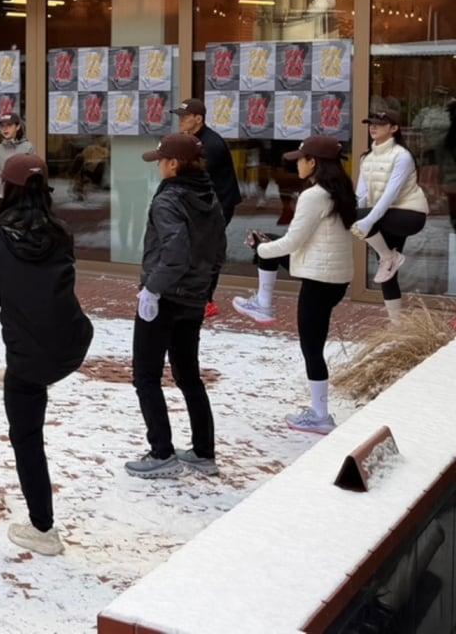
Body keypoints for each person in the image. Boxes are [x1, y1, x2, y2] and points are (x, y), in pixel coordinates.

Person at [0, 153, 93, 556]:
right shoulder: (61, 231)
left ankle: (42, 528)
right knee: (27, 375)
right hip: (73, 341)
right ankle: (18, 376)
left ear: (7, 189)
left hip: (29, 357)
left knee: (26, 436)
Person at [232, 136, 356, 435]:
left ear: (313, 162)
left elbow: (294, 241)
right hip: (332, 275)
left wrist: (260, 251)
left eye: (301, 159)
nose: (297, 164)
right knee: (268, 242)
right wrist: (267, 246)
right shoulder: (339, 191)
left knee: (311, 349)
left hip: (319, 279)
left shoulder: (314, 195)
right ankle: (263, 303)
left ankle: (320, 416)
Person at [128, 133, 226, 479]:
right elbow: (218, 252)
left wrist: (152, 289)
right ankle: (203, 451)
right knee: (188, 376)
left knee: (146, 375)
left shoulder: (168, 201)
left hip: (165, 298)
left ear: (173, 164)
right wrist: (205, 291)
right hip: (192, 298)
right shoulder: (208, 196)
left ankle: (161, 452)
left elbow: (175, 251)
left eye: (160, 160)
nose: (157, 166)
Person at [353, 108, 429, 323]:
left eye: (379, 123)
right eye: (371, 123)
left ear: (394, 128)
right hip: (384, 217)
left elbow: (389, 195)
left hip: (409, 214)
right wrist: (355, 214)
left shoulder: (402, 156)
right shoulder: (365, 158)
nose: (373, 127)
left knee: (384, 258)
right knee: (387, 273)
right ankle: (396, 326)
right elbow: (362, 194)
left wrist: (366, 220)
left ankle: (388, 256)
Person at [173, 99, 242, 319]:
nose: (181, 121)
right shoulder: (192, 139)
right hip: (204, 204)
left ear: (199, 119)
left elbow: (194, 177)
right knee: (196, 250)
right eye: (179, 117)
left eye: (185, 117)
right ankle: (194, 295)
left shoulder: (210, 144)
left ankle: (206, 301)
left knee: (207, 252)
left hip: (218, 206)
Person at [0, 113, 36, 211]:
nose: (5, 129)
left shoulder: (28, 148)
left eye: (9, 125)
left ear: (17, 127)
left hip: (21, 201)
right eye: (2, 126)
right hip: (0, 200)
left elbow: (33, 175)